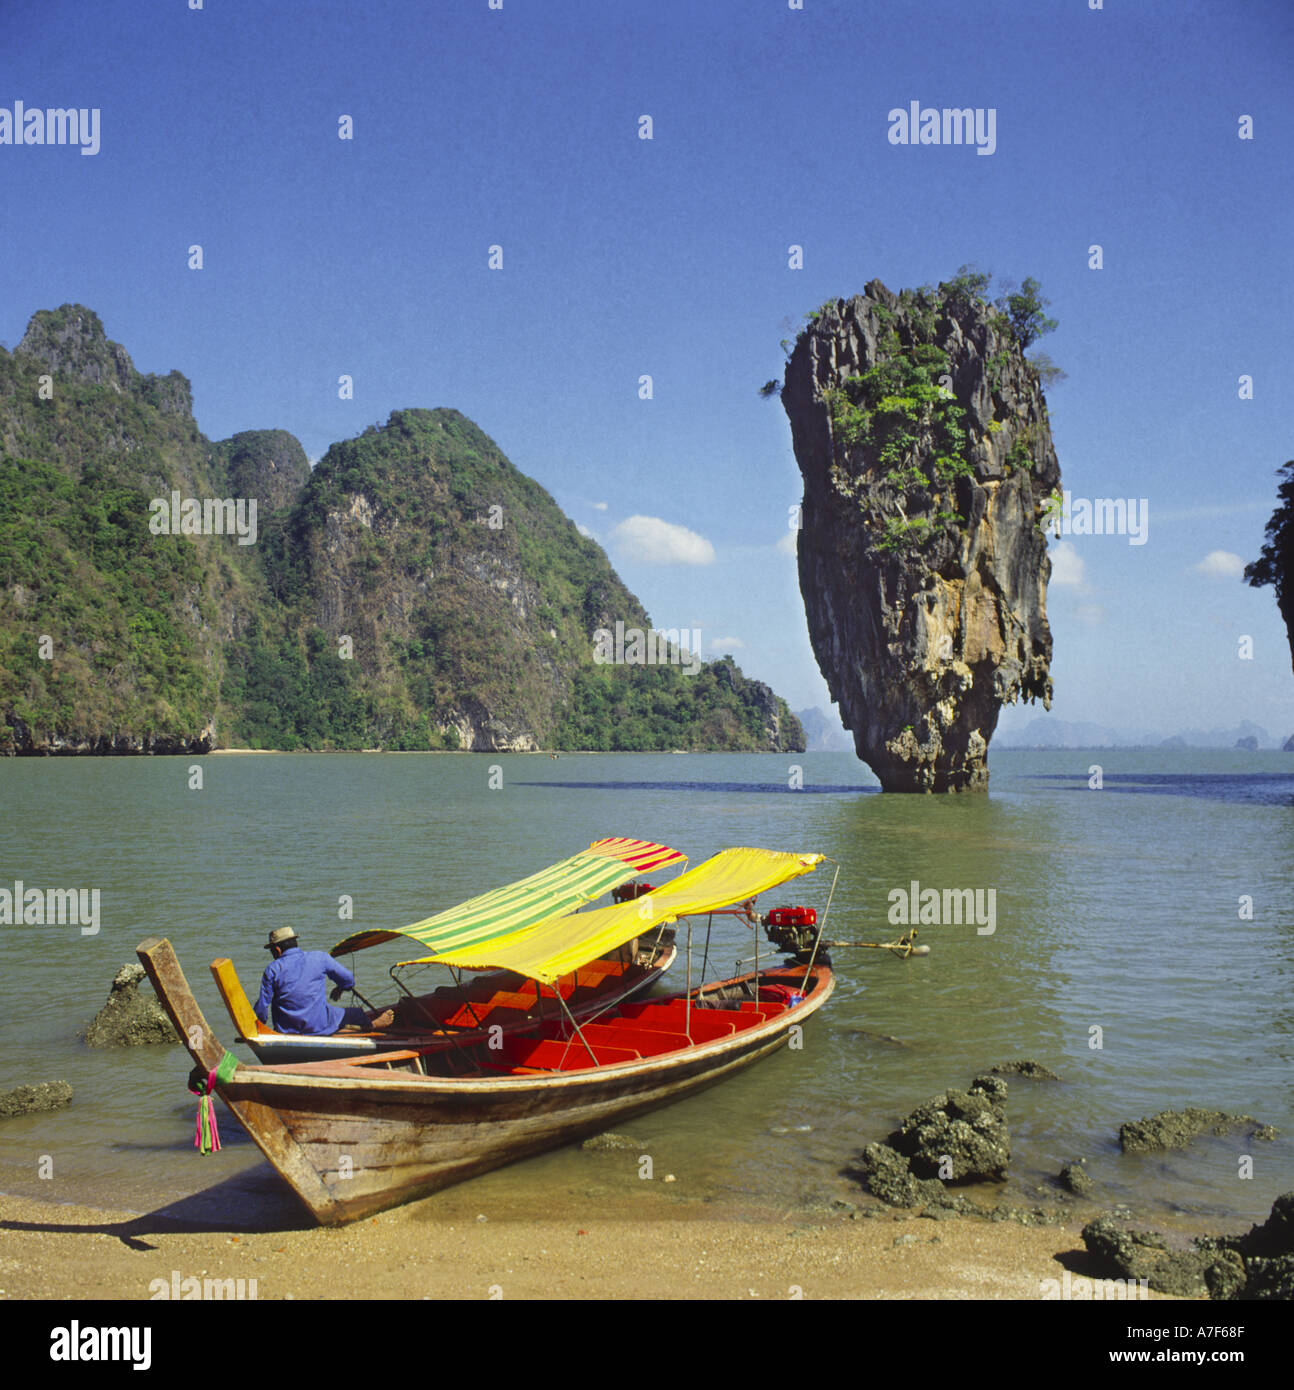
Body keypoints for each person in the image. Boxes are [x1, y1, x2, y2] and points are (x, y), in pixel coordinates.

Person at [254, 927, 392, 1034]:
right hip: (319, 1026)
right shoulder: (319, 958)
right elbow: (349, 979)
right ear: (296, 944)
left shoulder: (272, 969)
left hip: (287, 1030)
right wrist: (342, 987)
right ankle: (373, 1026)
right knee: (356, 1013)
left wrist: (257, 1027)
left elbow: (262, 1009)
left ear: (277, 950)